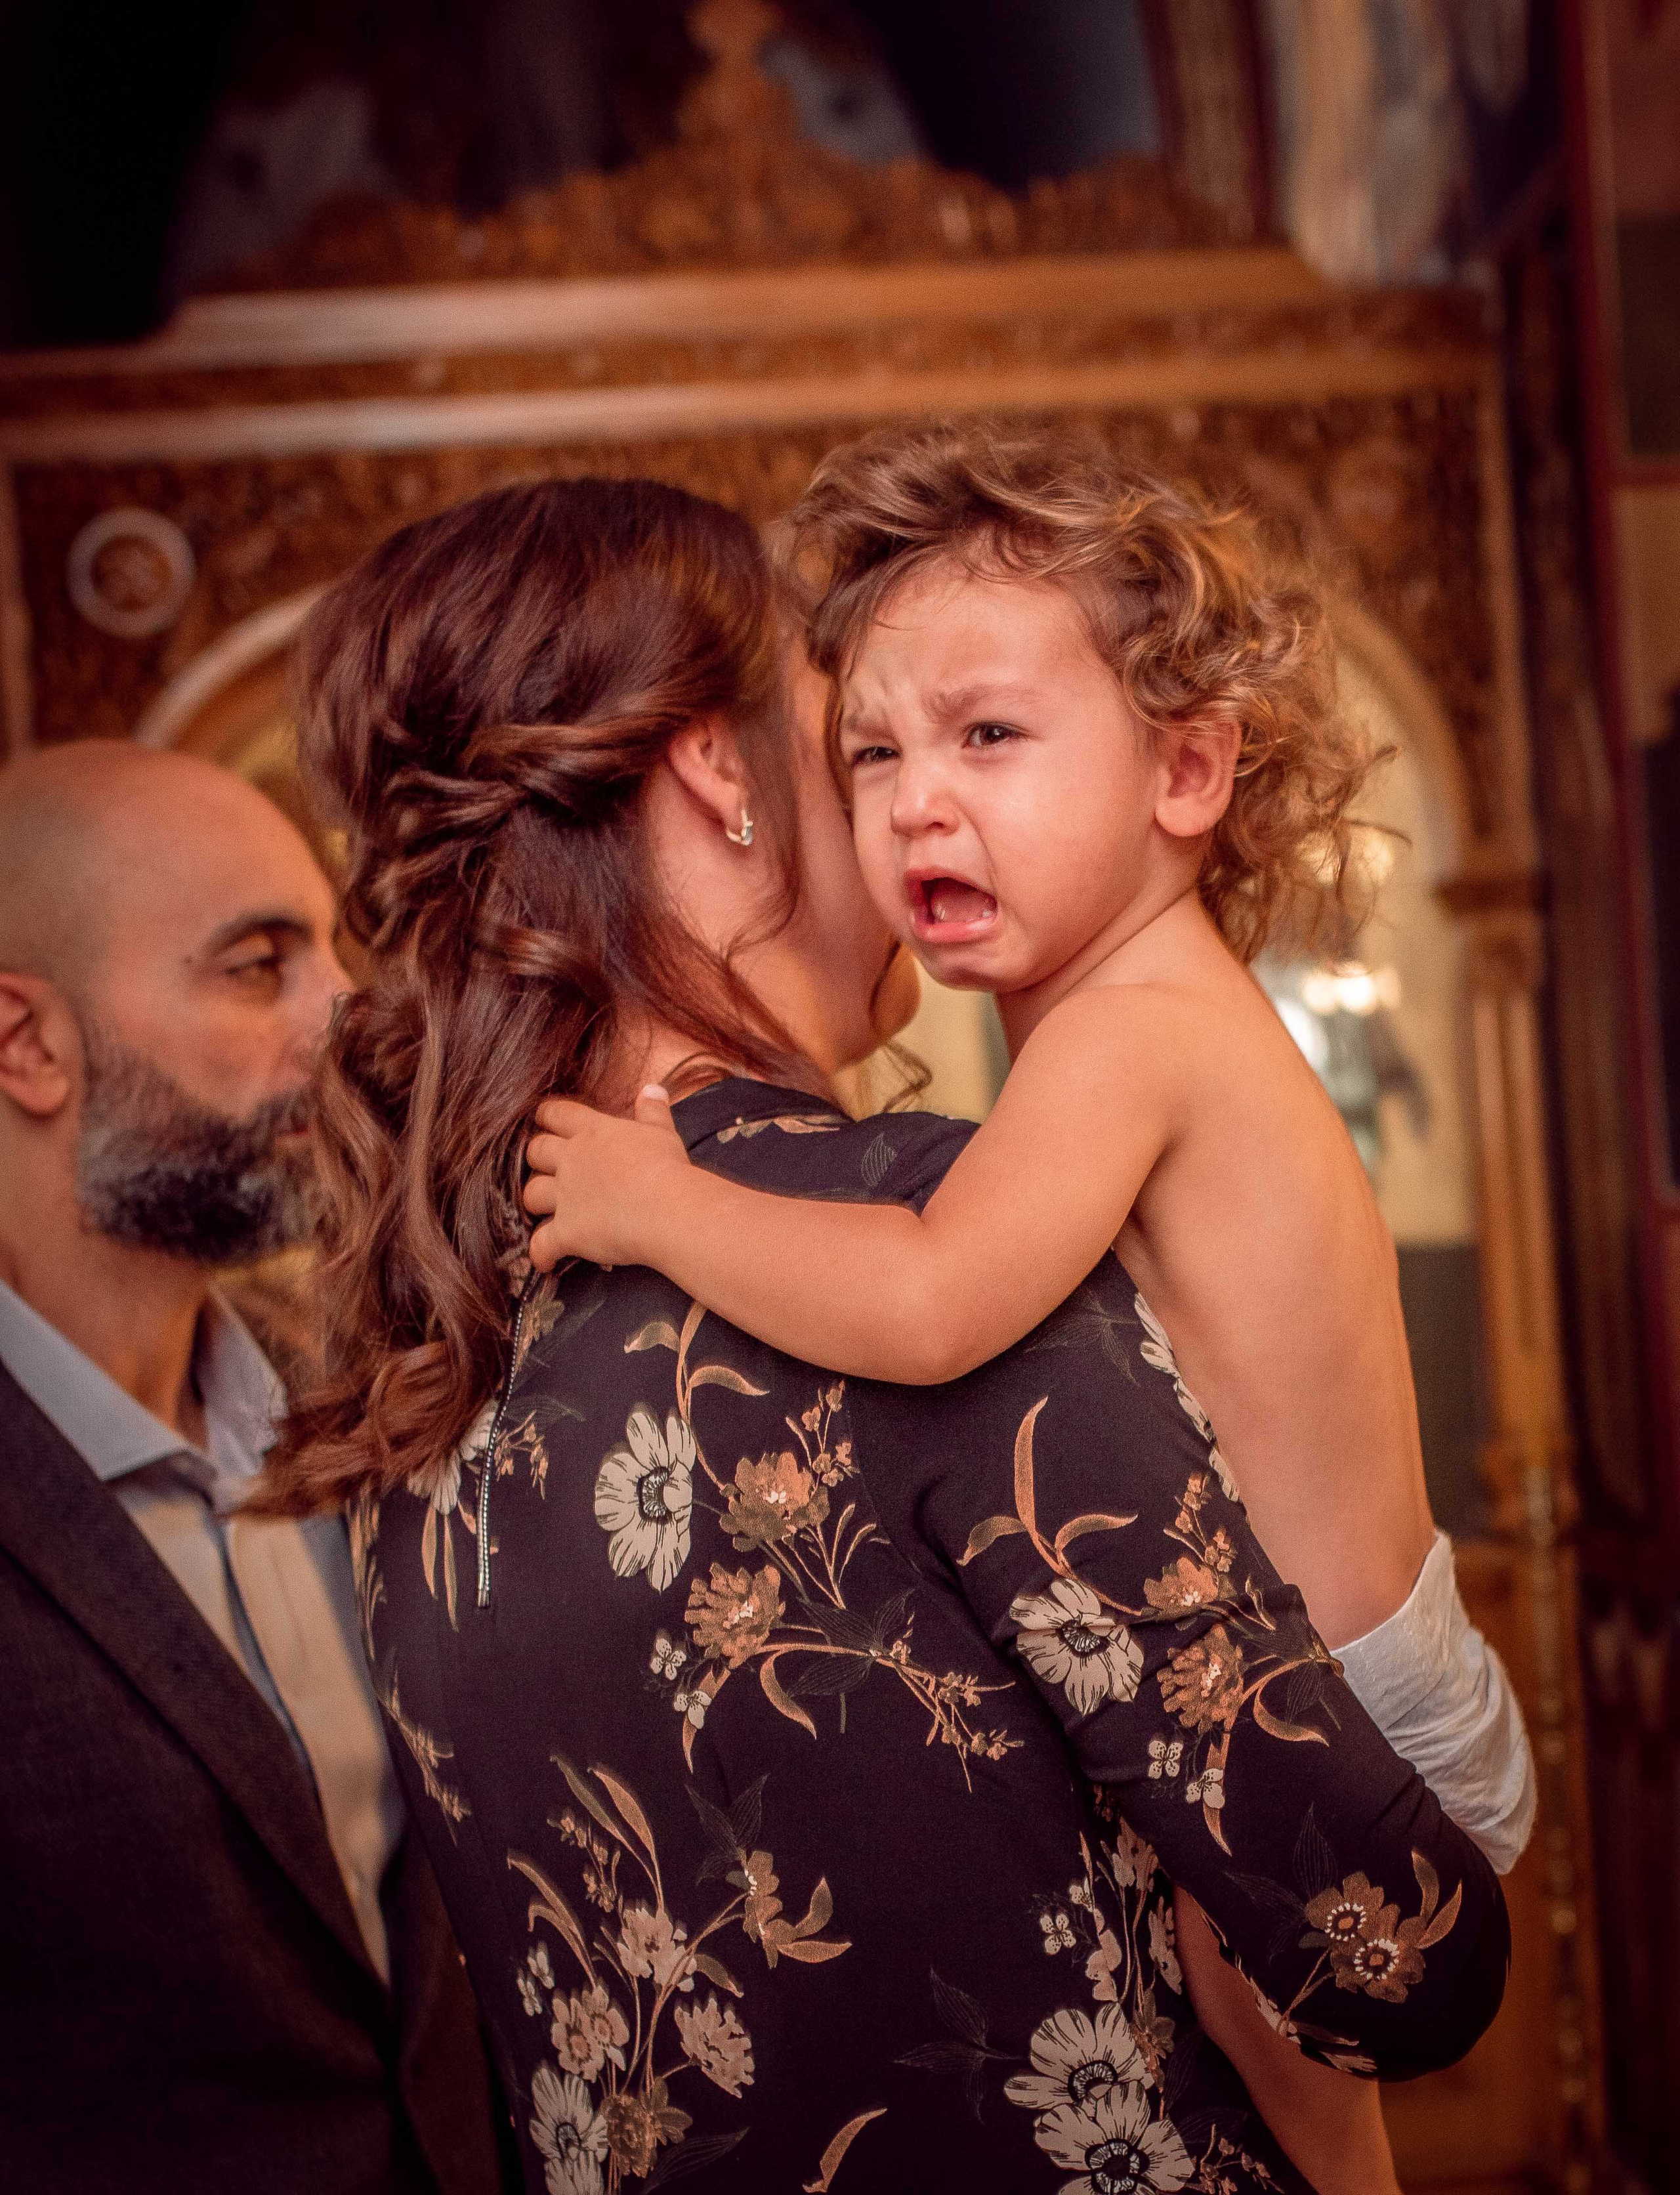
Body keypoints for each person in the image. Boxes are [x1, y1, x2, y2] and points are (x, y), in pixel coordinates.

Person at [263, 474, 1509, 2195]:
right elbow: (1392, 1957)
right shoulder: (899, 1223)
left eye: (983, 738)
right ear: (721, 774)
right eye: (852, 742)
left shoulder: (438, 1346)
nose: (914, 807)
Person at [0, 740, 509, 2194]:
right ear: (26, 1044)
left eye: (331, 953)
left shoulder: (354, 1399)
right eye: (254, 965)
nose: (345, 1017)